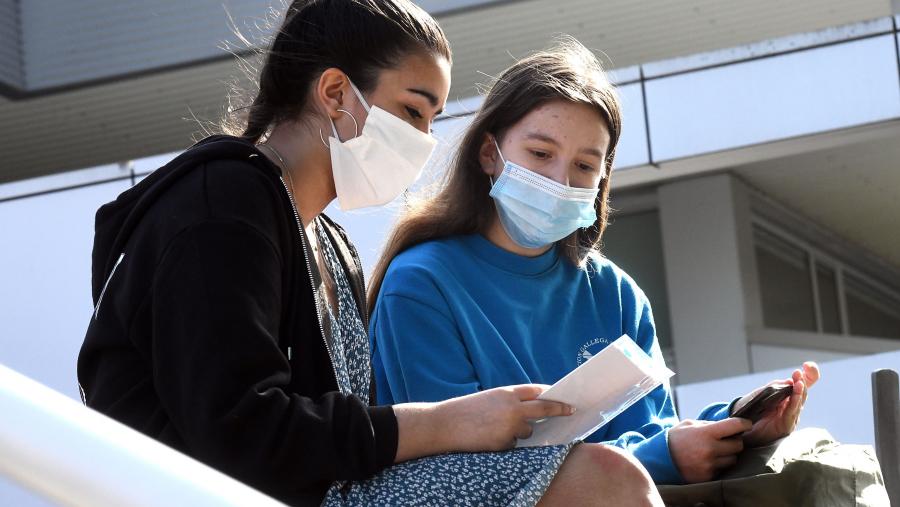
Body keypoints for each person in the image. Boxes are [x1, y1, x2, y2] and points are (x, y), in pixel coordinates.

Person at [78, 2, 664, 506]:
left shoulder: (330, 246)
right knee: (604, 480)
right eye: (412, 111)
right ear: (336, 92)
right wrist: (450, 422)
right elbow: (241, 431)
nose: (424, 141)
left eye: (432, 121)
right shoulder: (222, 205)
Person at [367, 37, 821, 486]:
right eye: (540, 154)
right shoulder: (421, 285)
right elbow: (457, 473)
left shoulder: (616, 294)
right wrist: (662, 458)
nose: (560, 181)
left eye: (584, 166)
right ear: (490, 154)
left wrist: (735, 428)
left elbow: (655, 434)